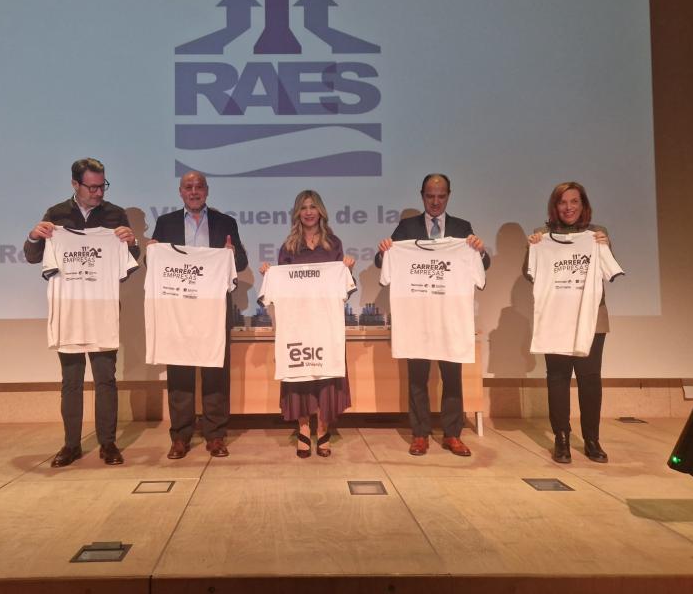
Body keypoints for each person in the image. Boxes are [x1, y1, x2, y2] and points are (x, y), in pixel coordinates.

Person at [24, 158, 140, 468]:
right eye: (92, 187)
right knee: (71, 381)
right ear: (75, 185)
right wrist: (35, 236)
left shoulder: (115, 215)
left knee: (106, 380)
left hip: (102, 310)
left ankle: (108, 443)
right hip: (70, 312)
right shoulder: (57, 215)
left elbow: (128, 264)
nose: (98, 192)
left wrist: (131, 243)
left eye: (103, 186)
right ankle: (70, 445)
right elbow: (34, 257)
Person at [375, 173, 490, 457]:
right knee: (417, 377)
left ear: (449, 195)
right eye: (430, 196)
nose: (435, 202)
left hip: (450, 316)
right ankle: (420, 434)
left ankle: (452, 434)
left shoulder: (462, 228)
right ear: (422, 195)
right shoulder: (406, 226)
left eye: (441, 196)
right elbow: (384, 263)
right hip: (417, 316)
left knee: (453, 377)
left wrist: (481, 251)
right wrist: (384, 251)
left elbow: (480, 266)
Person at [151, 171, 248, 459]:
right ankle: (180, 437)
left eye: (199, 187)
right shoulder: (165, 223)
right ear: (180, 192)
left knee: (215, 373)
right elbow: (153, 262)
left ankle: (215, 435)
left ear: (207, 191)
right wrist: (151, 253)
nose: (194, 191)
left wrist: (232, 254)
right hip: (178, 310)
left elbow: (241, 261)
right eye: (188, 187)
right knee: (179, 371)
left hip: (213, 308)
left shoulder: (225, 222)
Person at [259, 190, 356, 458]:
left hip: (325, 324)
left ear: (321, 211)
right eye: (304, 207)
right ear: (297, 213)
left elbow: (343, 289)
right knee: (299, 375)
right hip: (299, 325)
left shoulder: (333, 244)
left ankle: (323, 429)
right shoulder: (288, 248)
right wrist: (271, 275)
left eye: (313, 206)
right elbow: (281, 292)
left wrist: (348, 269)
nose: (309, 212)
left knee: (325, 375)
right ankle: (303, 429)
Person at [527, 181, 612, 464]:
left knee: (590, 379)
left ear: (583, 205)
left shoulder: (598, 235)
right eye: (563, 202)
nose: (568, 208)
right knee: (558, 378)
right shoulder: (542, 235)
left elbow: (608, 270)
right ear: (555, 206)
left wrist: (605, 246)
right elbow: (531, 274)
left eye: (574, 201)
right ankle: (561, 438)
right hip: (556, 318)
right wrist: (534, 249)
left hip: (592, 319)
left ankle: (592, 440)